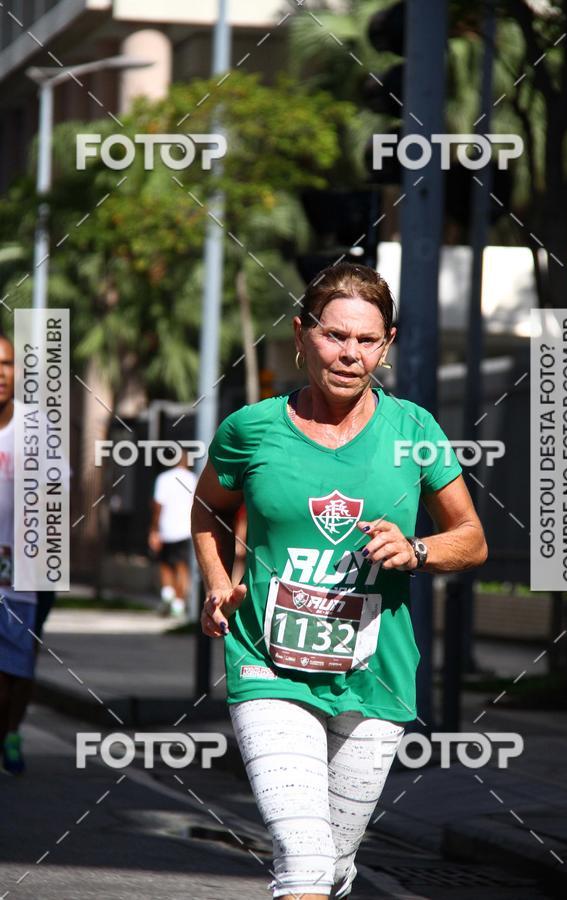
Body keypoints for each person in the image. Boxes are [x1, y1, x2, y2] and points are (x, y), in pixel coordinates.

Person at [191, 263, 487, 899]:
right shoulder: (251, 430)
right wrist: (218, 581)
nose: (350, 354)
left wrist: (417, 548)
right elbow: (208, 510)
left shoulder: (414, 433)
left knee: (334, 863)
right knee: (301, 859)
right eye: (334, 335)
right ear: (301, 335)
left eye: (366, 340)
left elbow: (471, 538)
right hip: (268, 663)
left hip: (375, 675)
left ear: (386, 345)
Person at [0, 334, 39, 774]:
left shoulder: (35, 428)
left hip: (24, 577)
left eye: (7, 363)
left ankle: (12, 731)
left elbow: (58, 493)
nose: (0, 372)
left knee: (19, 673)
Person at [149, 447, 196, 618]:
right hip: (186, 529)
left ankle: (167, 596)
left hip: (166, 528)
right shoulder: (193, 479)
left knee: (165, 565)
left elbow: (157, 506)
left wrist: (154, 529)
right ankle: (179, 602)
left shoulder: (164, 478)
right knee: (182, 566)